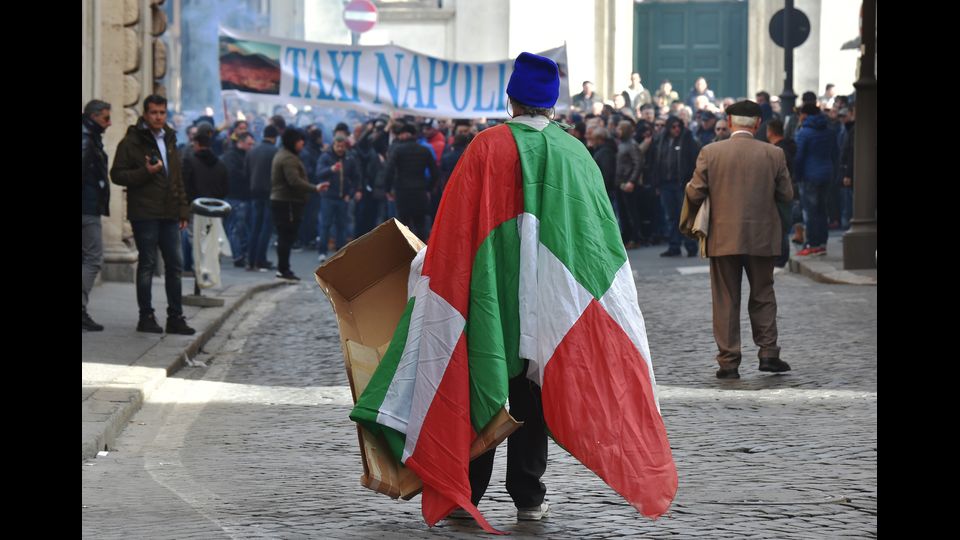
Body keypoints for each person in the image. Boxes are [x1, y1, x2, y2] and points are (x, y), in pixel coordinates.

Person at [684, 100, 793, 379]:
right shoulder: (774, 154)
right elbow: (786, 195)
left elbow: (695, 192)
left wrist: (687, 223)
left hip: (722, 237)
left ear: (730, 123)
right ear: (758, 124)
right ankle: (768, 353)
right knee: (763, 294)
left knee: (725, 300)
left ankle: (728, 361)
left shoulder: (710, 152)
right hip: (762, 235)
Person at [111, 95, 195, 335]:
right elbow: (117, 175)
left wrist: (182, 209)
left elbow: (176, 178)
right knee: (147, 263)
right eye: (154, 113)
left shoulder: (170, 138)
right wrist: (145, 172)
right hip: (145, 213)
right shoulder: (132, 141)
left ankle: (175, 316)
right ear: (146, 115)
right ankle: (146, 315)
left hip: (169, 213)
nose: (158, 117)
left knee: (175, 265)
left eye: (162, 112)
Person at [270, 128, 329, 280]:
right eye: (299, 140)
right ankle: (283, 269)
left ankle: (283, 268)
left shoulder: (286, 155)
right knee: (286, 235)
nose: (302, 143)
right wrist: (314, 188)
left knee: (287, 235)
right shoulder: (288, 158)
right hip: (287, 201)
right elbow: (294, 181)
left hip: (286, 200)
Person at [82, 99, 112, 331]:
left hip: (90, 205)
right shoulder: (87, 138)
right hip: (86, 208)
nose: (109, 123)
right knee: (94, 258)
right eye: (105, 118)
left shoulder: (91, 136)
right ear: (93, 117)